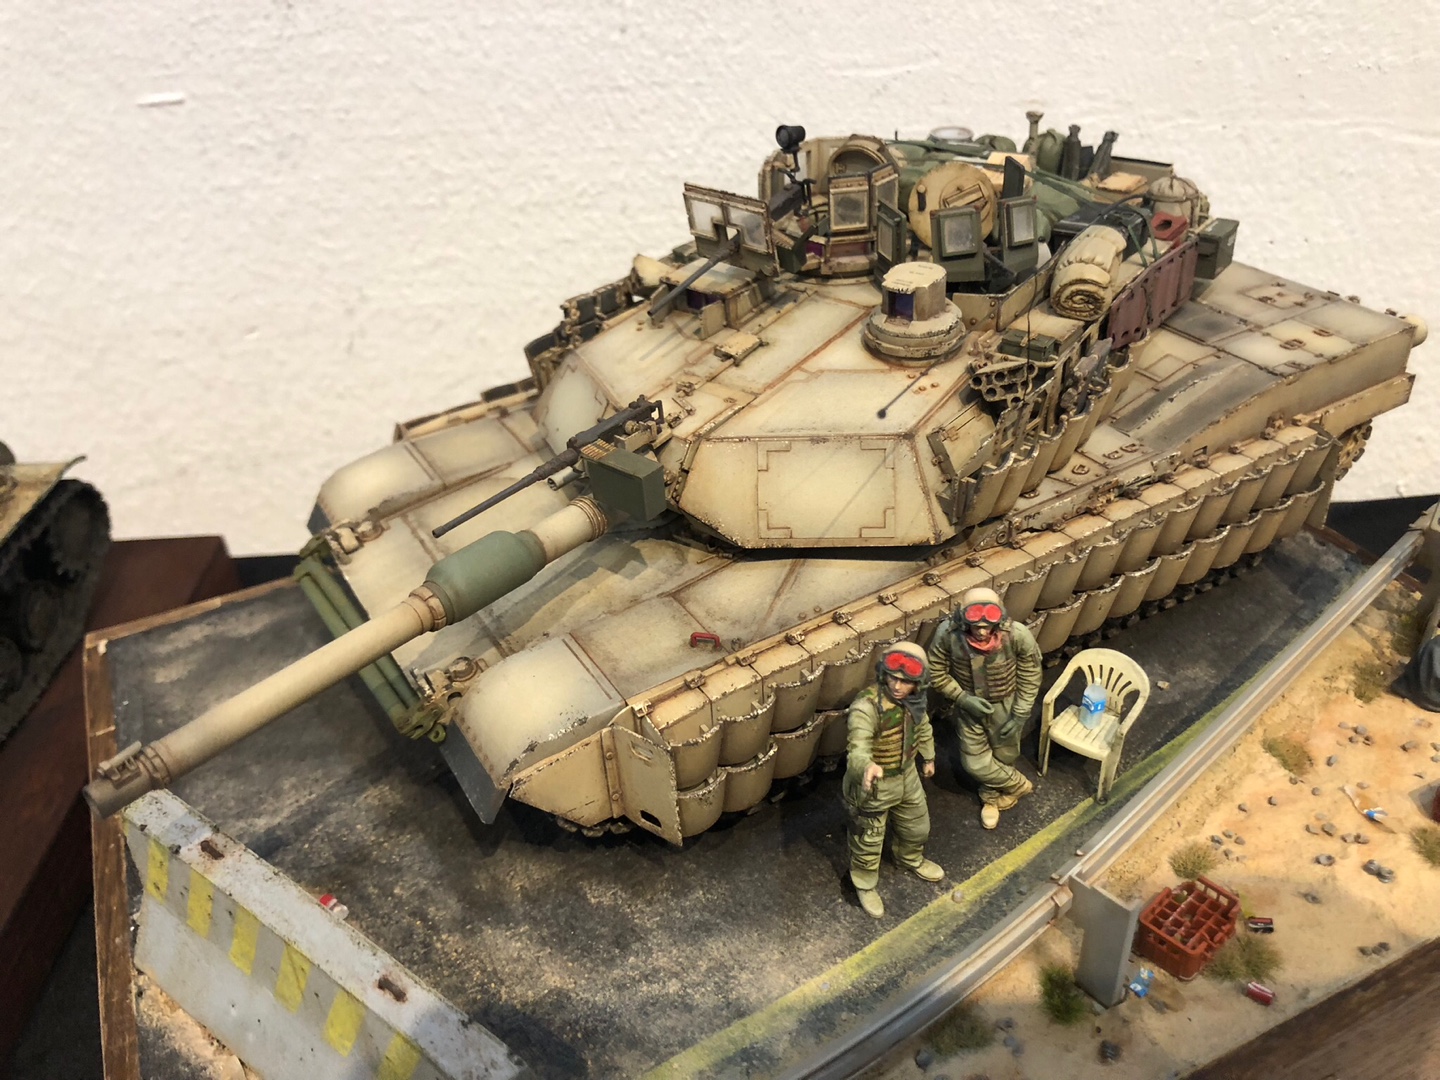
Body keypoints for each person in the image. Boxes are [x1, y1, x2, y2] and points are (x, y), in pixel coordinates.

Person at [843, 641, 945, 918]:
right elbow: (857, 747)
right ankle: (864, 883)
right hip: (875, 785)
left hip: (907, 775)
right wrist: (866, 767)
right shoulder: (867, 706)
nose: (898, 686)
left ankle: (909, 858)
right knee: (868, 840)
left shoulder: (915, 702)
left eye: (906, 681)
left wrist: (929, 757)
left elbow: (923, 726)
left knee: (917, 828)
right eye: (893, 678)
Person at [928, 586, 1042, 829]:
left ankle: (991, 796)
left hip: (1006, 705)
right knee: (975, 762)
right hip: (969, 708)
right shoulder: (948, 635)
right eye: (975, 625)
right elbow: (935, 671)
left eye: (987, 625)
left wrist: (1020, 712)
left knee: (1005, 754)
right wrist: (961, 698)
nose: (981, 631)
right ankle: (1018, 785)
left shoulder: (1017, 635)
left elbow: (1031, 673)